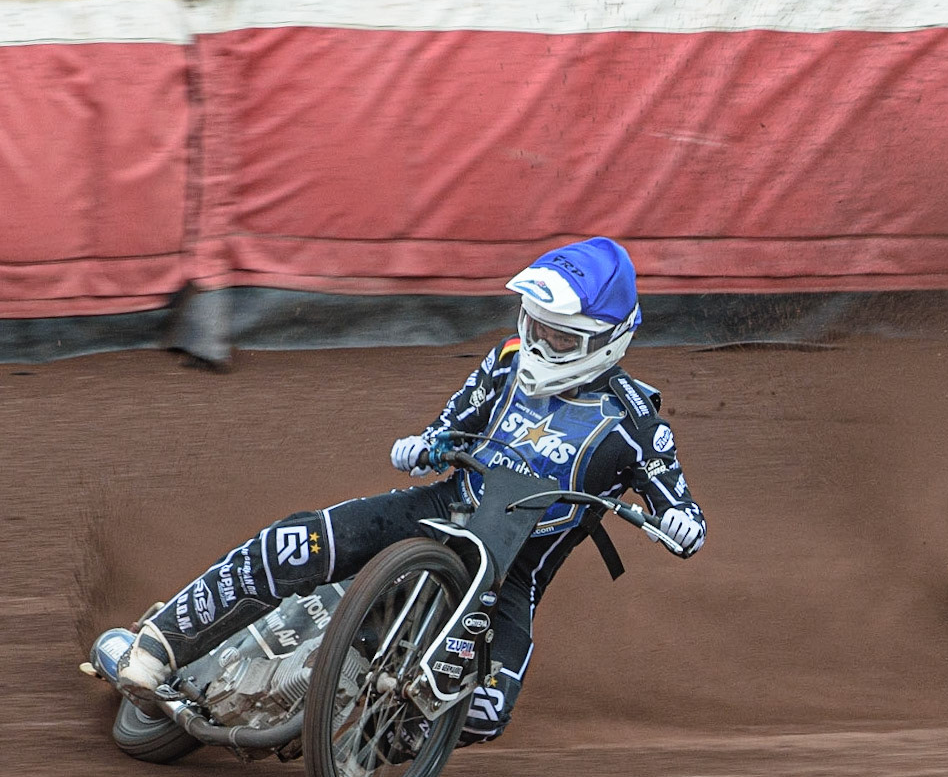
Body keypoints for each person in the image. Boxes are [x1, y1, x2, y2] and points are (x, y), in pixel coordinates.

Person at [108, 236, 707, 744]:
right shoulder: (506, 360)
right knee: (297, 542)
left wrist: (681, 525)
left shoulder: (636, 425)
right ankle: (157, 647)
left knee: (484, 713)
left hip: (514, 569)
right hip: (441, 508)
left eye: (561, 339)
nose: (541, 346)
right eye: (536, 327)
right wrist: (424, 446)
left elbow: (682, 510)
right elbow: (451, 426)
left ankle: (361, 745)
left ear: (607, 341)